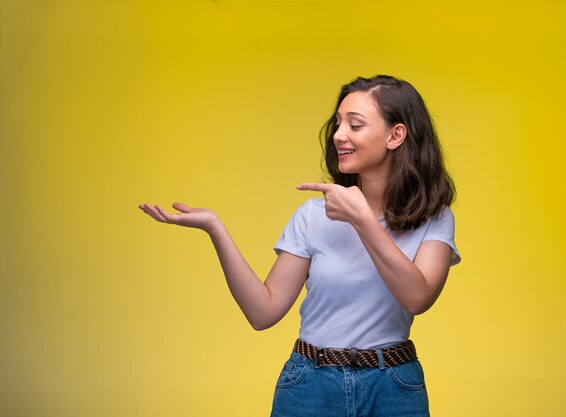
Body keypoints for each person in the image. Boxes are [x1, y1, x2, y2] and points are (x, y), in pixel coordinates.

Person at [139, 75, 460, 417]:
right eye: (338, 124)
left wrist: (361, 219)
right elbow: (263, 313)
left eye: (355, 125)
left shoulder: (434, 218)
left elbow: (417, 297)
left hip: (394, 386)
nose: (339, 135)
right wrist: (215, 229)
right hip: (311, 384)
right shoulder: (313, 215)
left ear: (395, 135)